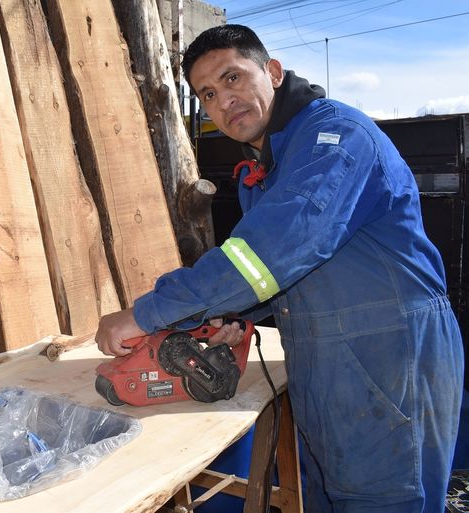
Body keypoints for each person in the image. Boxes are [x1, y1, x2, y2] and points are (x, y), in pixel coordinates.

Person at [95, 24, 464, 513]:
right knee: (329, 496)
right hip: (324, 361)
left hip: (388, 355)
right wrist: (234, 317)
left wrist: (149, 313)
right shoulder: (268, 167)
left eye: (232, 78)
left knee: (387, 500)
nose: (224, 100)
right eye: (208, 93)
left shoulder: (334, 137)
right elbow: (277, 277)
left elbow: (277, 249)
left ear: (271, 72)